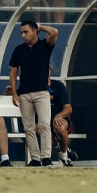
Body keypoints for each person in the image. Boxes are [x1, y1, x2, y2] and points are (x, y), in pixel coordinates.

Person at [9, 21, 58, 166]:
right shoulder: (19, 50)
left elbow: (54, 32)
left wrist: (40, 27)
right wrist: (14, 93)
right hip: (24, 94)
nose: (23, 35)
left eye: (26, 32)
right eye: (21, 32)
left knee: (44, 125)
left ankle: (46, 157)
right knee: (28, 127)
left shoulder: (44, 45)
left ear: (34, 31)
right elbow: (13, 72)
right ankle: (35, 158)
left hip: (42, 92)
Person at [46, 68, 77, 166]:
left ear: (50, 71)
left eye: (46, 69)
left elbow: (69, 108)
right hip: (43, 122)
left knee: (60, 127)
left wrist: (58, 115)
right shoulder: (35, 87)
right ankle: (62, 148)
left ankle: (64, 155)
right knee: (40, 129)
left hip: (58, 120)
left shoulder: (58, 86)